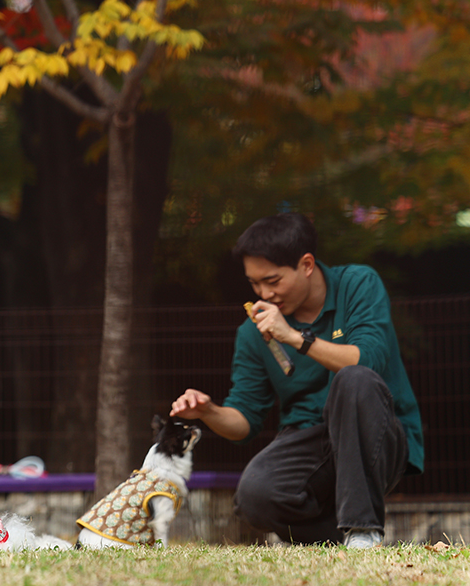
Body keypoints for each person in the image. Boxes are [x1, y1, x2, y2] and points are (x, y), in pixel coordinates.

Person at [170, 212, 423, 548]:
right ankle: (341, 542)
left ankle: (363, 530)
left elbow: (368, 360)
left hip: (377, 432)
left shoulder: (358, 284)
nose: (264, 293)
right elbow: (245, 421)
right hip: (309, 439)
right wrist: (208, 411)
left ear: (306, 264)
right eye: (254, 283)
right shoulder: (253, 331)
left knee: (354, 379)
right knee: (254, 496)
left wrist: (293, 337)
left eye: (273, 281)